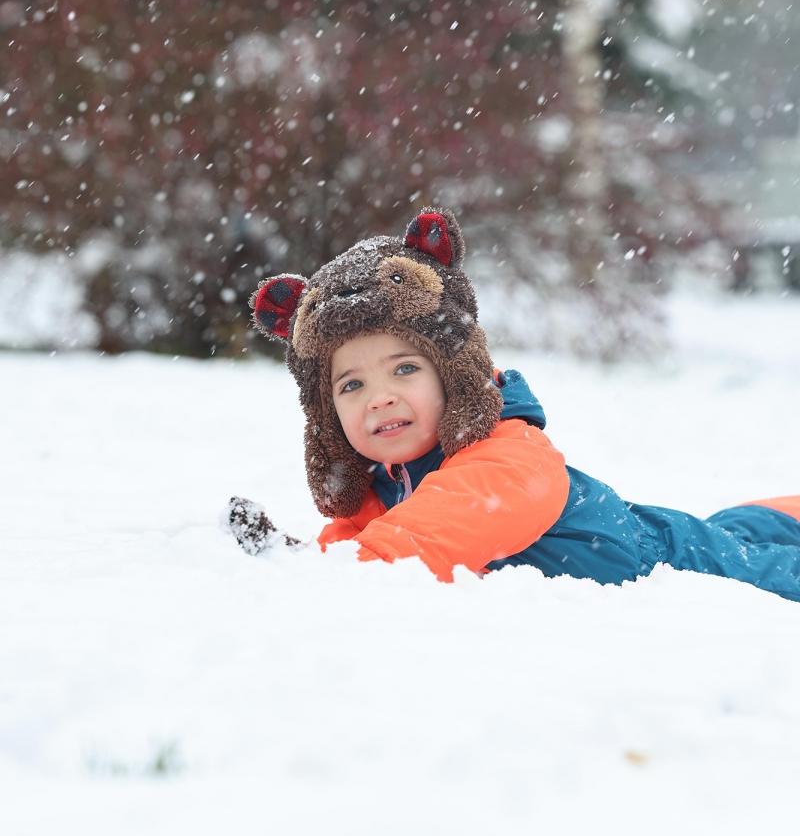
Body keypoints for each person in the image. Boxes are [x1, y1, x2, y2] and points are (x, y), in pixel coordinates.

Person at [229, 207, 800, 603]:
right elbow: (356, 542)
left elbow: (433, 532)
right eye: (350, 386)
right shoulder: (382, 486)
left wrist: (344, 571)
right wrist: (301, 559)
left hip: (658, 559)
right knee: (737, 529)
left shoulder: (505, 453)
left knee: (758, 570)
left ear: (453, 375)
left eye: (405, 369)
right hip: (651, 534)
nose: (379, 397)